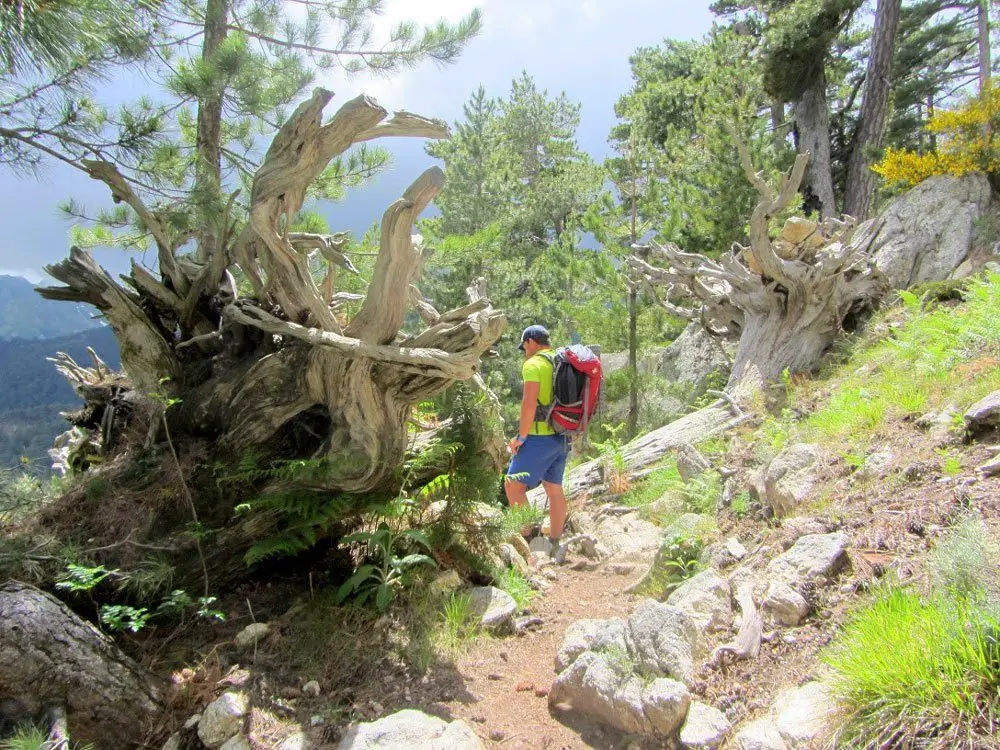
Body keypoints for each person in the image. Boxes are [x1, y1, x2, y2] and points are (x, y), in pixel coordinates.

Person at [505, 324, 570, 562]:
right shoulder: (561, 360)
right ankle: (554, 541)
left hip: (539, 436)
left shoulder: (533, 365)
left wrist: (521, 437)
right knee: (554, 489)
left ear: (531, 341)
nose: (524, 351)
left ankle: (531, 540)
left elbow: (529, 403)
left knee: (513, 485)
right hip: (562, 434)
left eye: (524, 346)